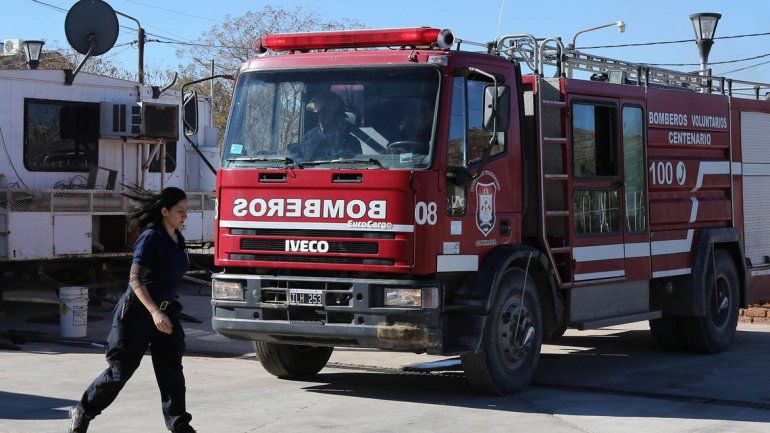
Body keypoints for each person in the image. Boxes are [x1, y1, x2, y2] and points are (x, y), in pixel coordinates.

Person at [69, 186, 195, 433]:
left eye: (187, 211)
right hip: (137, 313)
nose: (185, 216)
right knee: (119, 372)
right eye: (180, 211)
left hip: (166, 312)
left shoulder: (178, 239)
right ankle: (83, 411)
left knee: (172, 373)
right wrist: (154, 312)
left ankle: (180, 427)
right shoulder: (150, 238)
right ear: (164, 211)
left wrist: (164, 312)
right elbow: (135, 280)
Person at [288, 90, 361, 161]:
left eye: (326, 113)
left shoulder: (351, 142)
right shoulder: (310, 136)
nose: (321, 117)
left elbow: (356, 168)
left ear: (337, 116)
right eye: (320, 113)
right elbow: (298, 158)